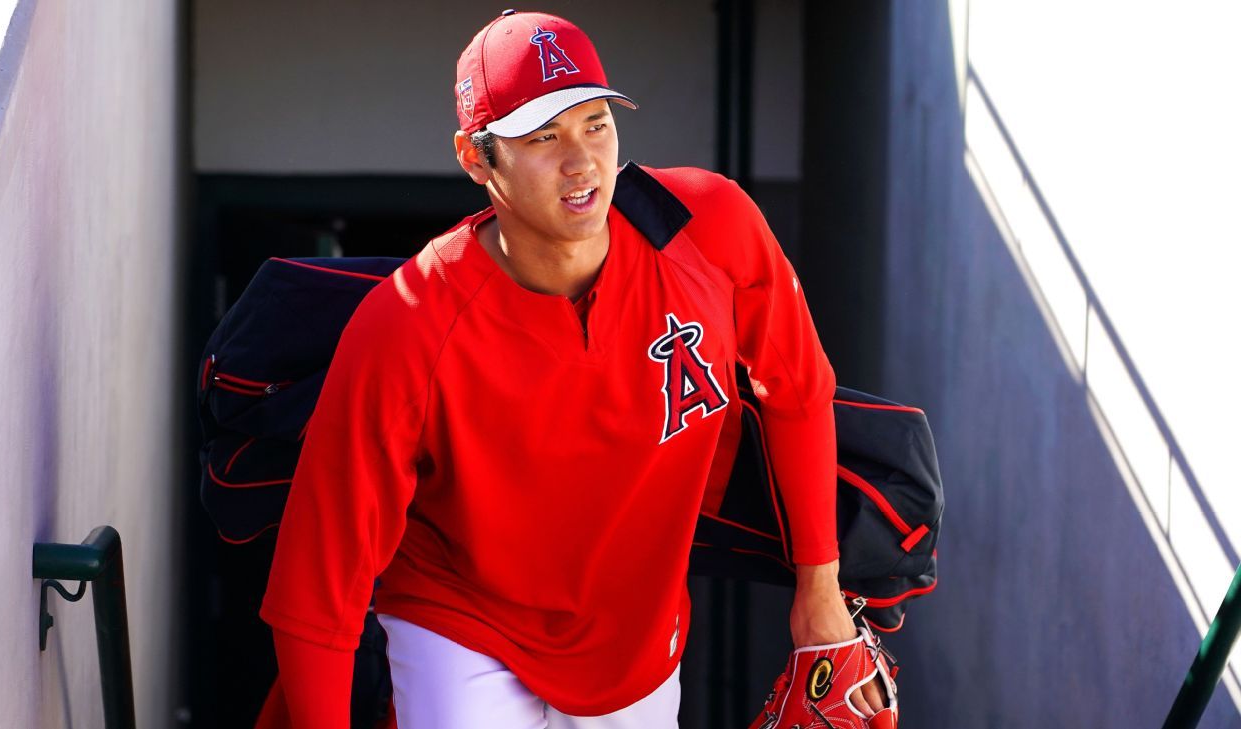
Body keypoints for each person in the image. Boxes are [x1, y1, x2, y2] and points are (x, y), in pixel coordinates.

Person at [258, 9, 885, 728]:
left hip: (634, 635)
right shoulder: (410, 322)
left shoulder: (707, 227)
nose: (581, 160)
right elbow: (317, 585)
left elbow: (798, 389)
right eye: (543, 136)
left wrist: (820, 592)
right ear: (475, 159)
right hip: (460, 613)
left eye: (595, 123)